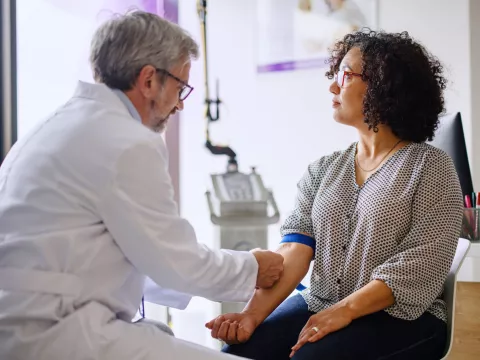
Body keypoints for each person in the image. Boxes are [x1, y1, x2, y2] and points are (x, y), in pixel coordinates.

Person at [0, 10, 284, 360]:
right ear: (149, 80)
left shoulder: (58, 126)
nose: (180, 104)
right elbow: (178, 262)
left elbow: (128, 259)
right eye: (181, 88)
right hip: (57, 333)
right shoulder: (127, 142)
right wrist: (254, 268)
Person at [206, 28, 464, 360]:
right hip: (321, 300)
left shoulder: (430, 167)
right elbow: (294, 250)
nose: (332, 86)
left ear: (384, 85)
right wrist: (251, 315)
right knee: (237, 352)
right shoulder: (323, 170)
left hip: (401, 315)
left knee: (310, 358)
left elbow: (419, 264)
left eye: (344, 75)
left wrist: (345, 310)